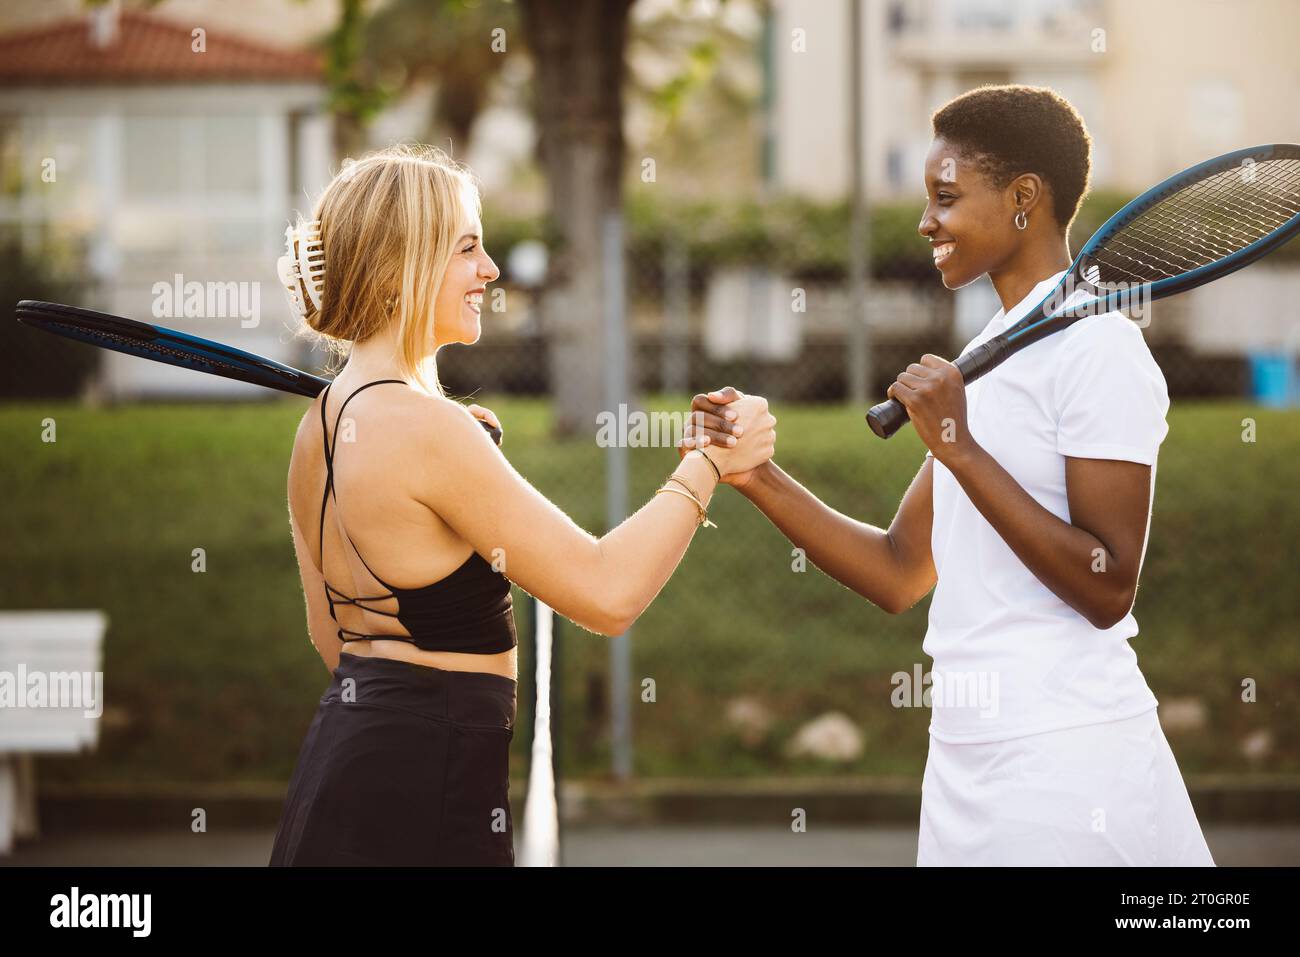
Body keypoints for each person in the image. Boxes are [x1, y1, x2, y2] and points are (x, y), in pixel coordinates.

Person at [686, 85, 1213, 866]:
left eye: (945, 197)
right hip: (966, 759)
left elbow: (1109, 586)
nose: (927, 221)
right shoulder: (990, 353)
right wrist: (756, 475)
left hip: (1065, 759)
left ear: (1025, 198)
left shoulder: (1099, 350)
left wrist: (961, 445)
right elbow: (900, 570)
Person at [267, 144, 776, 866]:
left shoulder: (318, 428)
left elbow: (337, 642)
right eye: (467, 249)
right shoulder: (427, 430)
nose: (491, 270)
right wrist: (709, 464)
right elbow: (606, 593)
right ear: (398, 268)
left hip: (341, 776)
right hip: (428, 793)